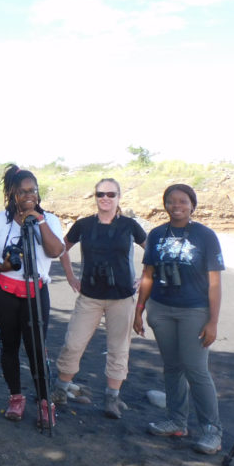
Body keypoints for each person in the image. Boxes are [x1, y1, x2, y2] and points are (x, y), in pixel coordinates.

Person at [133, 184, 225, 455]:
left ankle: (212, 431)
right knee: (172, 367)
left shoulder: (205, 236)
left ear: (192, 205)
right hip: (161, 309)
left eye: (183, 201)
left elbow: (215, 282)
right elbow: (148, 275)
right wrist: (139, 310)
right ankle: (176, 421)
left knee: (196, 369)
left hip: (194, 311)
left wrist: (213, 321)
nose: (177, 205)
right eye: (171, 201)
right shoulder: (157, 234)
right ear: (165, 205)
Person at [0, 165, 65, 428]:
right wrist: (1, 266)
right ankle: (16, 397)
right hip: (4, 290)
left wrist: (38, 220)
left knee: (37, 347)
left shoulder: (48, 219)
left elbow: (55, 251)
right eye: (22, 191)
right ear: (12, 194)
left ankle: (45, 402)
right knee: (9, 346)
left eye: (32, 191)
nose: (28, 195)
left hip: (36, 290)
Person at [55, 178, 146, 419]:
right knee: (73, 343)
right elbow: (61, 248)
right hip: (90, 297)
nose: (105, 198)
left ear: (119, 197)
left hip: (122, 297)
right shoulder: (83, 225)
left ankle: (112, 398)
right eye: (100, 194)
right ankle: (61, 390)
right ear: (95, 197)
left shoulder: (130, 225)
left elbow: (153, 252)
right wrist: (70, 276)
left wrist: (146, 277)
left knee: (118, 348)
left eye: (111, 194)